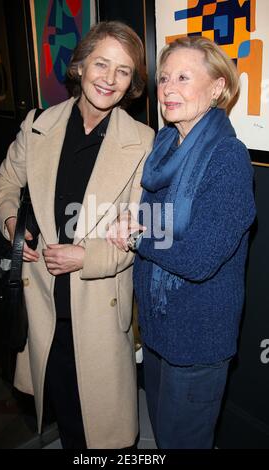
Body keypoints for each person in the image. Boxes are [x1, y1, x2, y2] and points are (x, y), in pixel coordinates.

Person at [0, 21, 154, 449]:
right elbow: (6, 183)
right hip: (44, 305)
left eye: (123, 71)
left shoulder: (143, 142)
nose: (110, 78)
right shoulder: (38, 124)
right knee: (67, 420)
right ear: (80, 66)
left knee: (105, 433)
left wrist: (88, 258)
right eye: (101, 63)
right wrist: (12, 225)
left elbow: (145, 230)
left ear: (132, 83)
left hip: (100, 308)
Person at [106, 36, 256, 449]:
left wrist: (136, 234)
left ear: (217, 88)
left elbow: (198, 257)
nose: (168, 88)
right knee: (161, 433)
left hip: (197, 340)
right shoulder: (164, 147)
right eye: (165, 78)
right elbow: (160, 222)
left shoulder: (228, 158)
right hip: (157, 329)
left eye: (184, 77)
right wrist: (134, 220)